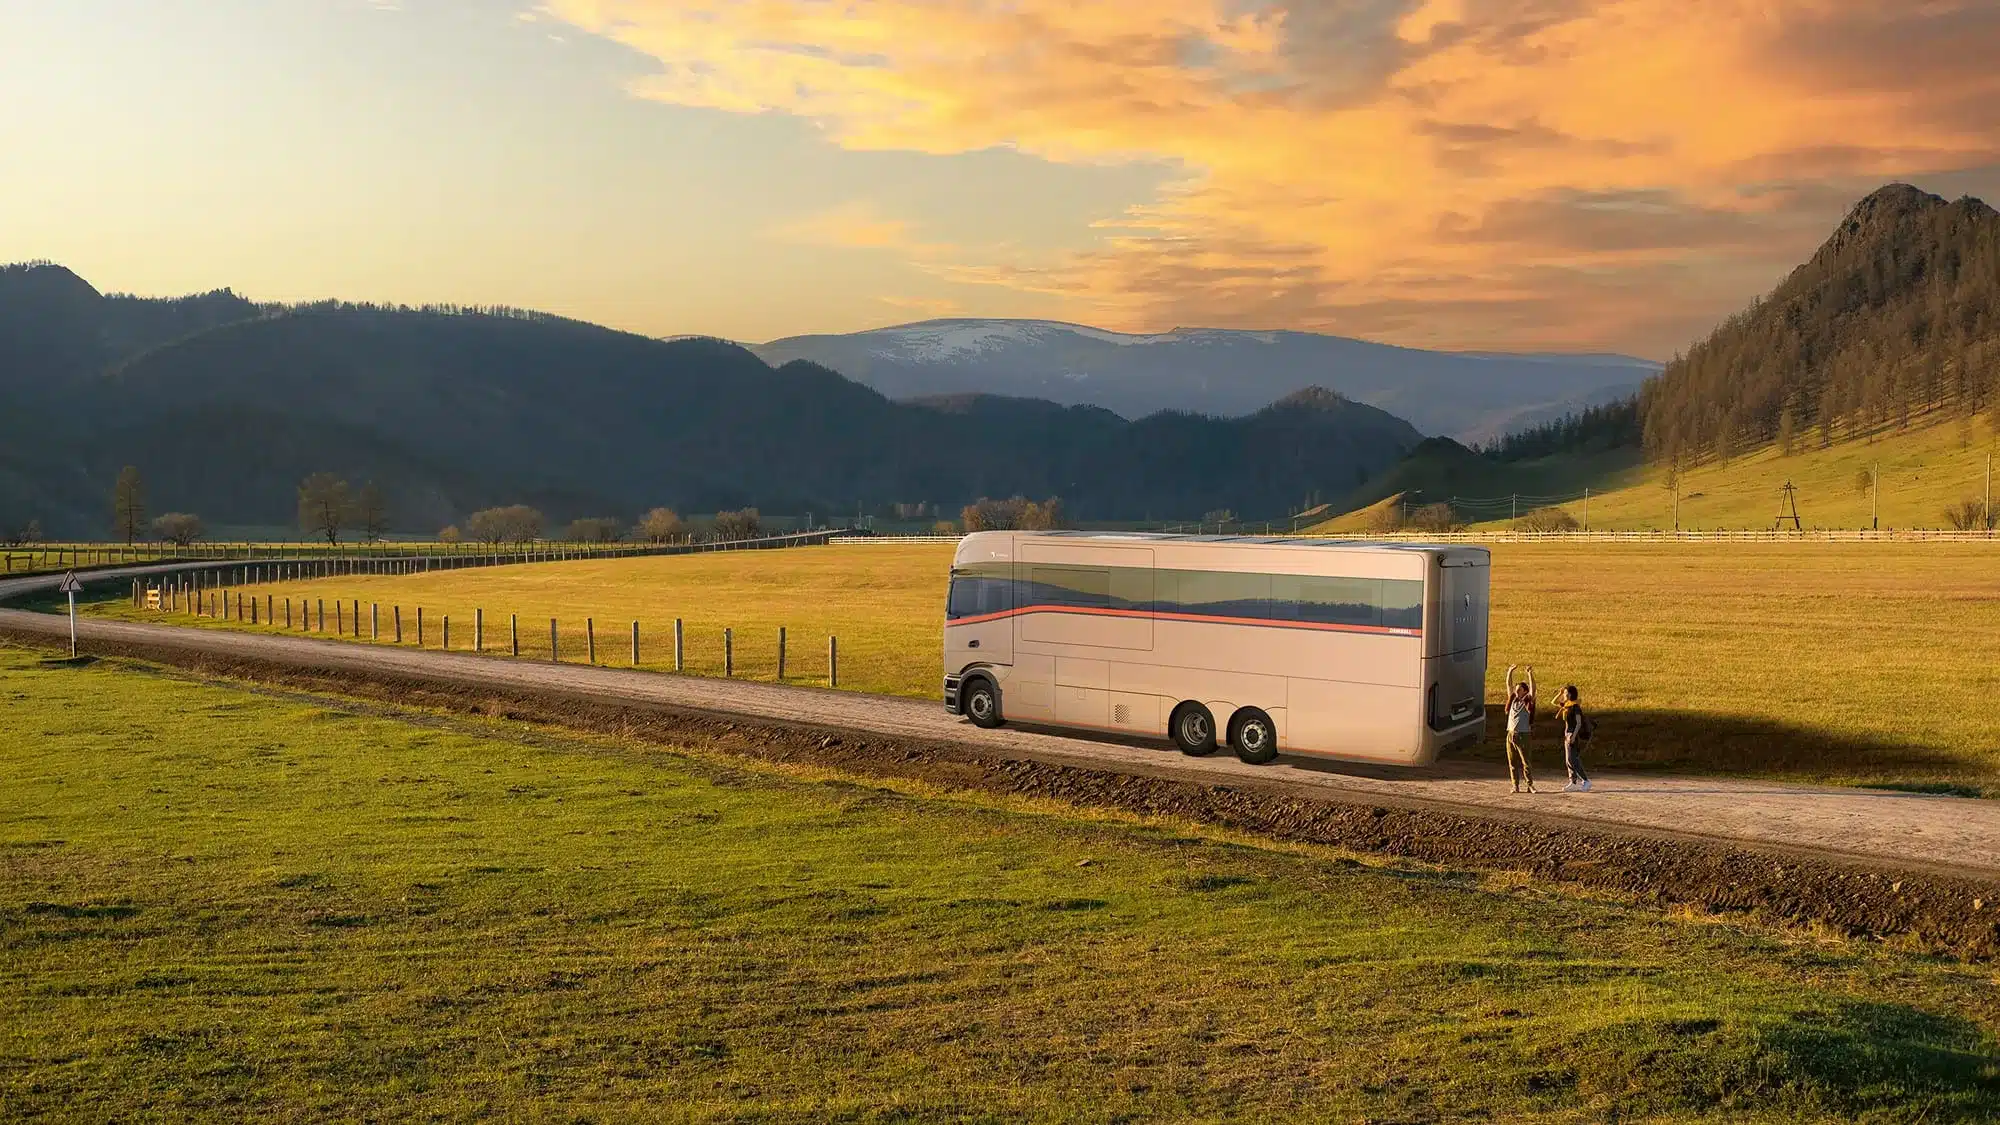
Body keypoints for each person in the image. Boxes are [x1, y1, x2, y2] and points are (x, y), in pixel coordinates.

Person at [1503, 664, 1536, 793]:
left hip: (1524, 735)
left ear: (1525, 691)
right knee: (1512, 763)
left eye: (1519, 690)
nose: (1516, 692)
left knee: (1526, 762)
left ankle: (1530, 785)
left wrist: (1529, 674)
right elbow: (1508, 685)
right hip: (1511, 734)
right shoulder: (1513, 700)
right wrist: (1510, 671)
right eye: (1516, 689)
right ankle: (1515, 785)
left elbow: (1533, 689)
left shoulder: (1528, 701)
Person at [1555, 685, 1592, 792]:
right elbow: (1553, 702)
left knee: (1573, 759)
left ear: (1570, 694)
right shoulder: (1567, 705)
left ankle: (1585, 780)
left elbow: (1578, 723)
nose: (1564, 695)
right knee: (1568, 759)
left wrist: (1574, 736)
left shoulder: (1575, 707)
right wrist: (1560, 693)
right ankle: (1573, 781)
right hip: (1567, 733)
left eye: (1565, 693)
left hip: (1572, 734)